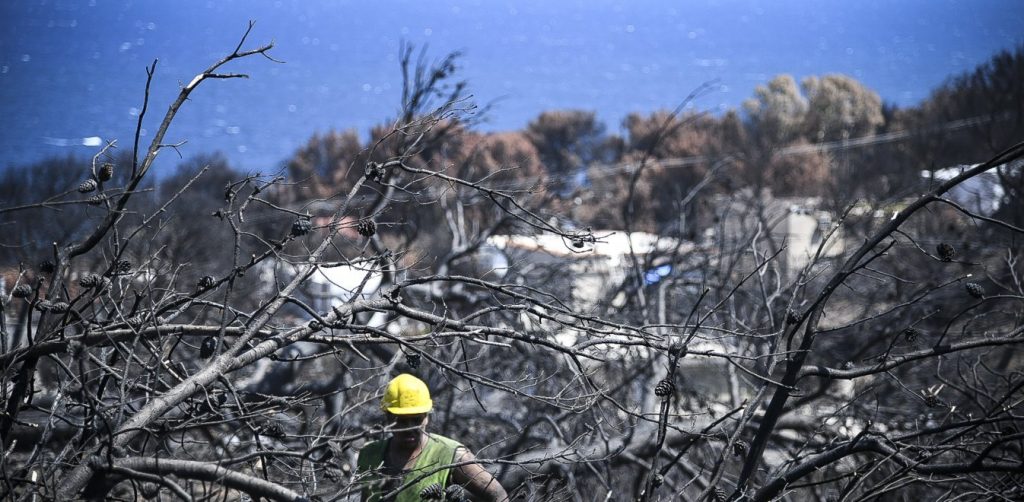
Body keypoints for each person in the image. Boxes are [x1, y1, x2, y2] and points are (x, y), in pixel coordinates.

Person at [356, 373, 509, 502]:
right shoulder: (369, 455)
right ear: (388, 418)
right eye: (401, 421)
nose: (410, 428)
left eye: (416, 420)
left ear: (427, 417)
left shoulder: (449, 454)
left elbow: (499, 496)